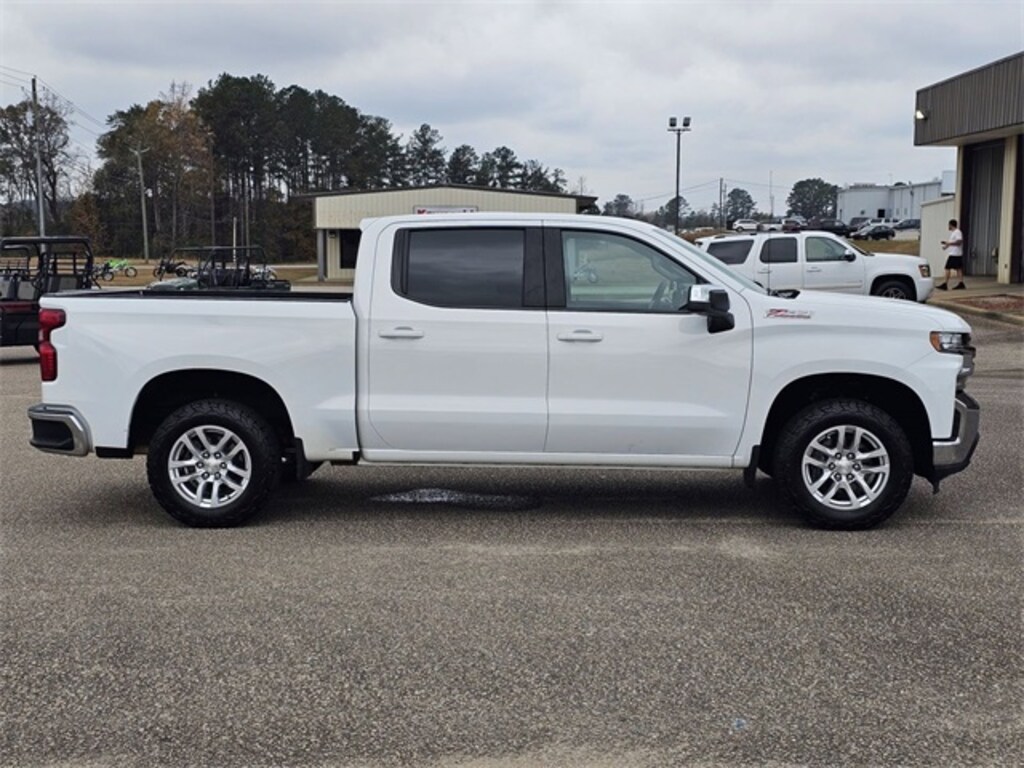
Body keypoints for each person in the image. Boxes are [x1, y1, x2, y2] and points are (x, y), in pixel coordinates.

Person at [938, 219, 965, 290]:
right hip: (957, 253)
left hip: (954, 254)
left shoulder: (957, 232)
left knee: (947, 268)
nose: (948, 226)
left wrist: (949, 243)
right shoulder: (954, 233)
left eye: (949, 225)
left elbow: (959, 242)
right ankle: (961, 283)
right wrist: (946, 246)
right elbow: (952, 242)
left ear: (951, 225)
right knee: (958, 268)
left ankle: (945, 284)